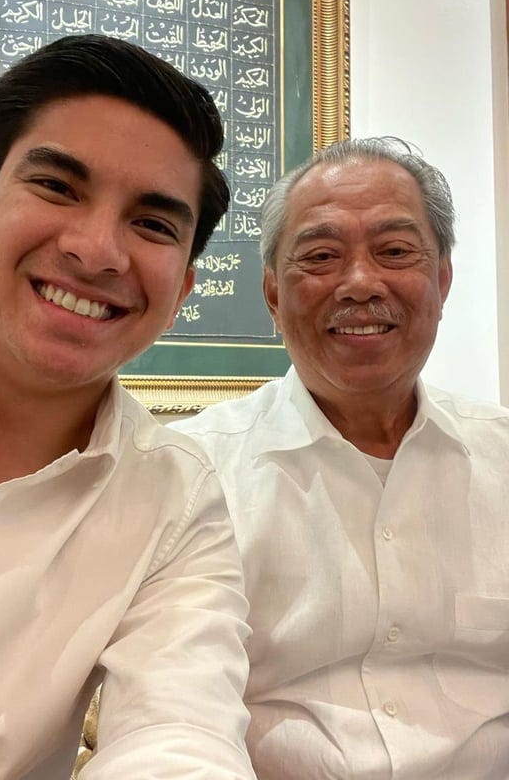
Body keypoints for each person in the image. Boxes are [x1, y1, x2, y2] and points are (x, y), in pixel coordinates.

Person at [0, 35, 256, 780]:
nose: (96, 249)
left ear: (182, 291)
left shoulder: (177, 505)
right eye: (57, 187)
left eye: (152, 224)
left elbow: (181, 728)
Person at [171, 137, 509, 779]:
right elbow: (178, 713)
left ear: (442, 281)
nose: (360, 283)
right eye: (321, 256)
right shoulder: (193, 474)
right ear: (273, 294)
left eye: (395, 251)